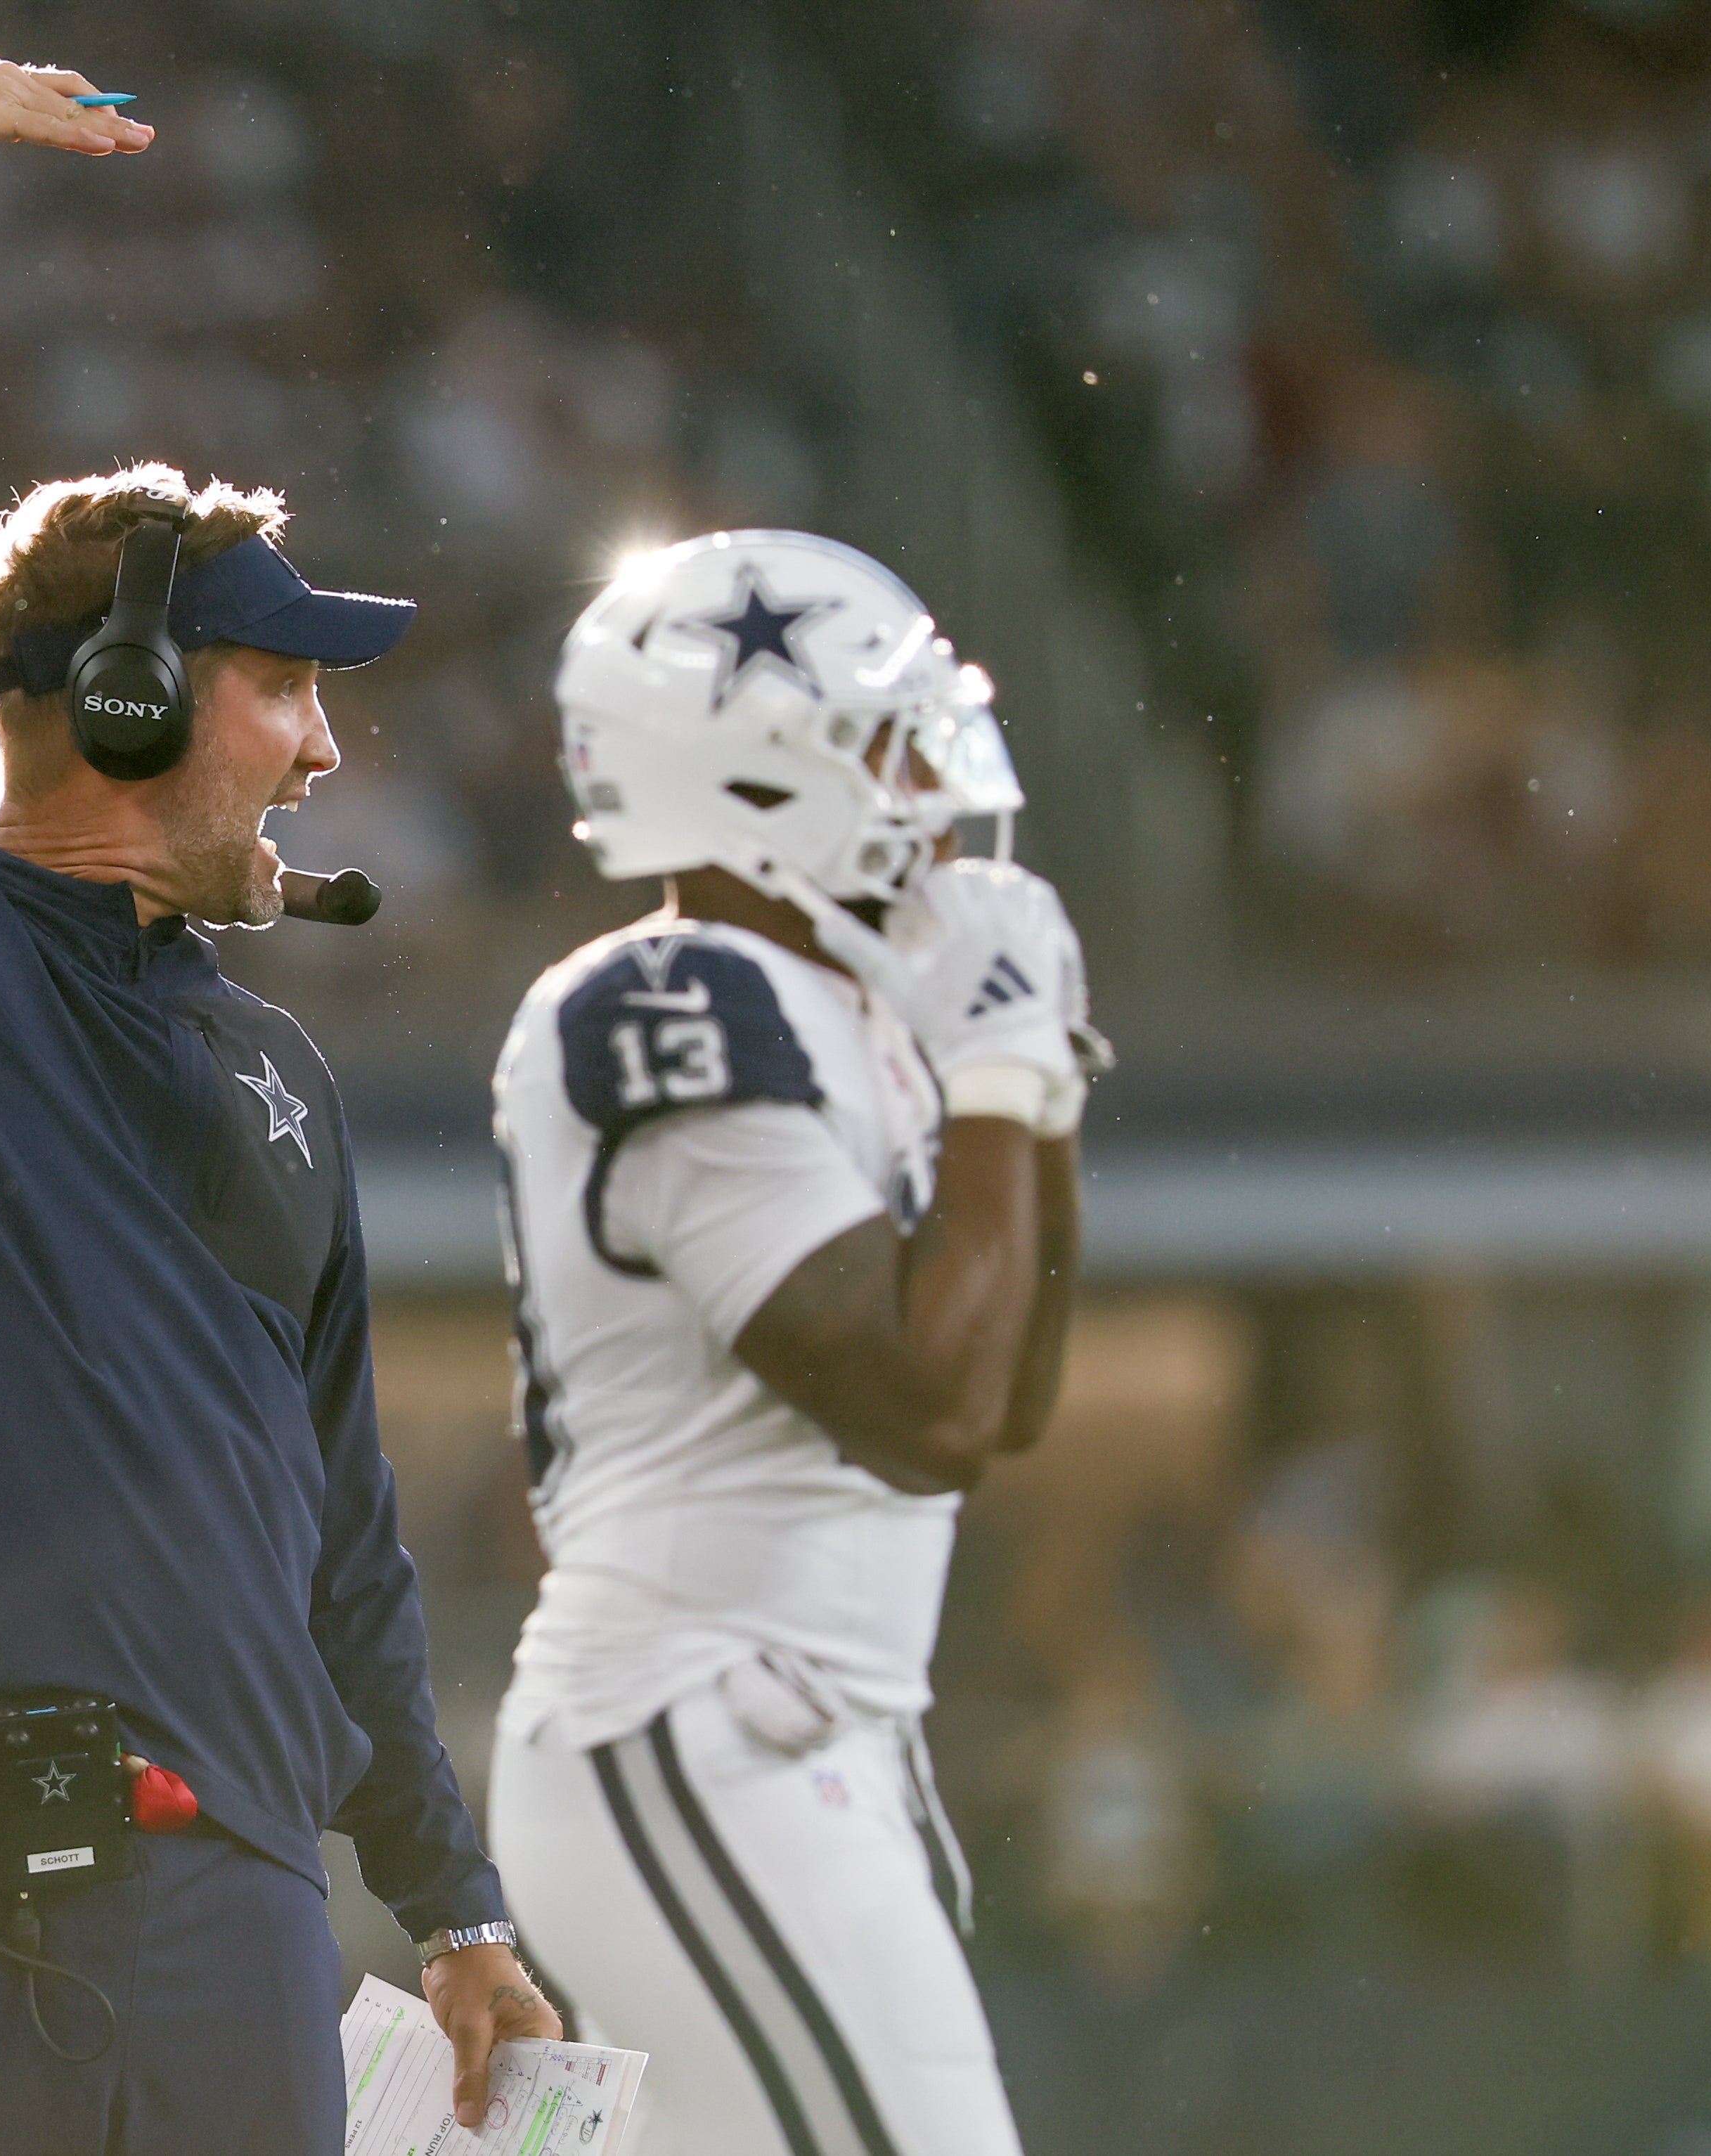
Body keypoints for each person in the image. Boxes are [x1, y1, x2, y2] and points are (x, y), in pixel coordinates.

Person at [0, 62, 555, 2156]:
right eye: (286, 683)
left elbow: (347, 1544)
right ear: (129, 694)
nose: (325, 749)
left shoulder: (282, 1073)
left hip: (229, 1891)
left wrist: (452, 1896)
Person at [486, 531, 1097, 2155]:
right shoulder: (670, 1000)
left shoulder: (855, 1015)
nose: (930, 780)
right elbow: (929, 1412)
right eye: (885, 739)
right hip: (695, 1718)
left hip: (806, 1738)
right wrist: (993, 1081)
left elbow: (1014, 1385)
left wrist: (1025, 1083)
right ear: (753, 774)